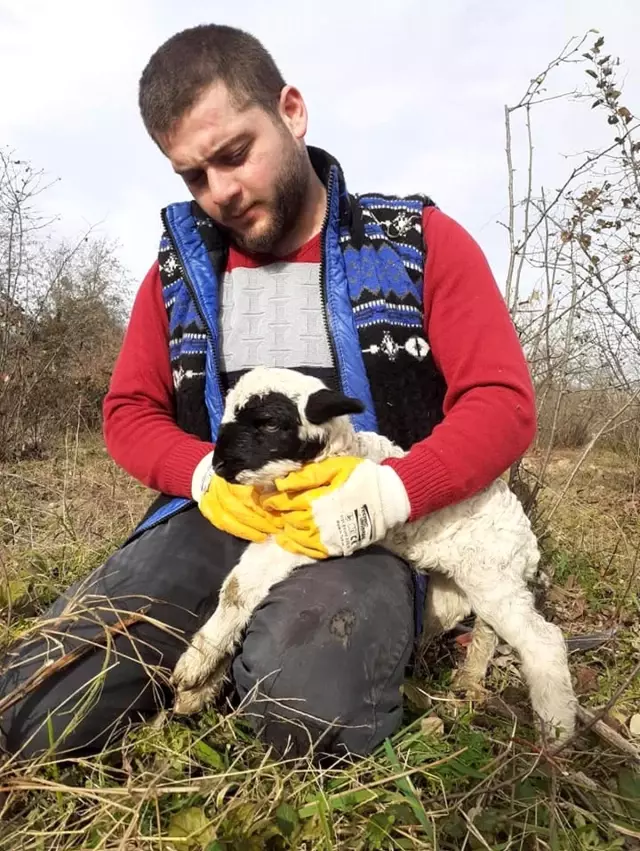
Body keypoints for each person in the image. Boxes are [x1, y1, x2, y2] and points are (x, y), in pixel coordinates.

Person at [0, 24, 536, 762]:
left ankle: (290, 654)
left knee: (308, 711)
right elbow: (128, 411)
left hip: (364, 532)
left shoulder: (418, 243)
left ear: (291, 111)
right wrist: (200, 478)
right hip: (215, 514)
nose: (219, 191)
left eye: (234, 154)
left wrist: (388, 494)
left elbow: (501, 401)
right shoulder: (178, 275)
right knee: (35, 713)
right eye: (193, 176)